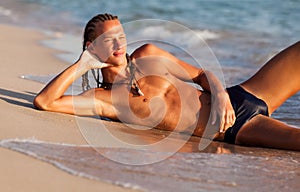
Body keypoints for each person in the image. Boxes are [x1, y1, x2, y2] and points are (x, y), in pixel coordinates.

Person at [34, 13, 300, 151]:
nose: (119, 44)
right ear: (92, 46)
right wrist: (82, 64)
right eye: (109, 39)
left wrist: (220, 96)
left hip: (239, 96)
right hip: (234, 128)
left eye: (121, 36)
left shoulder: (148, 55)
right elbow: (45, 102)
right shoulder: (106, 101)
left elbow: (201, 75)